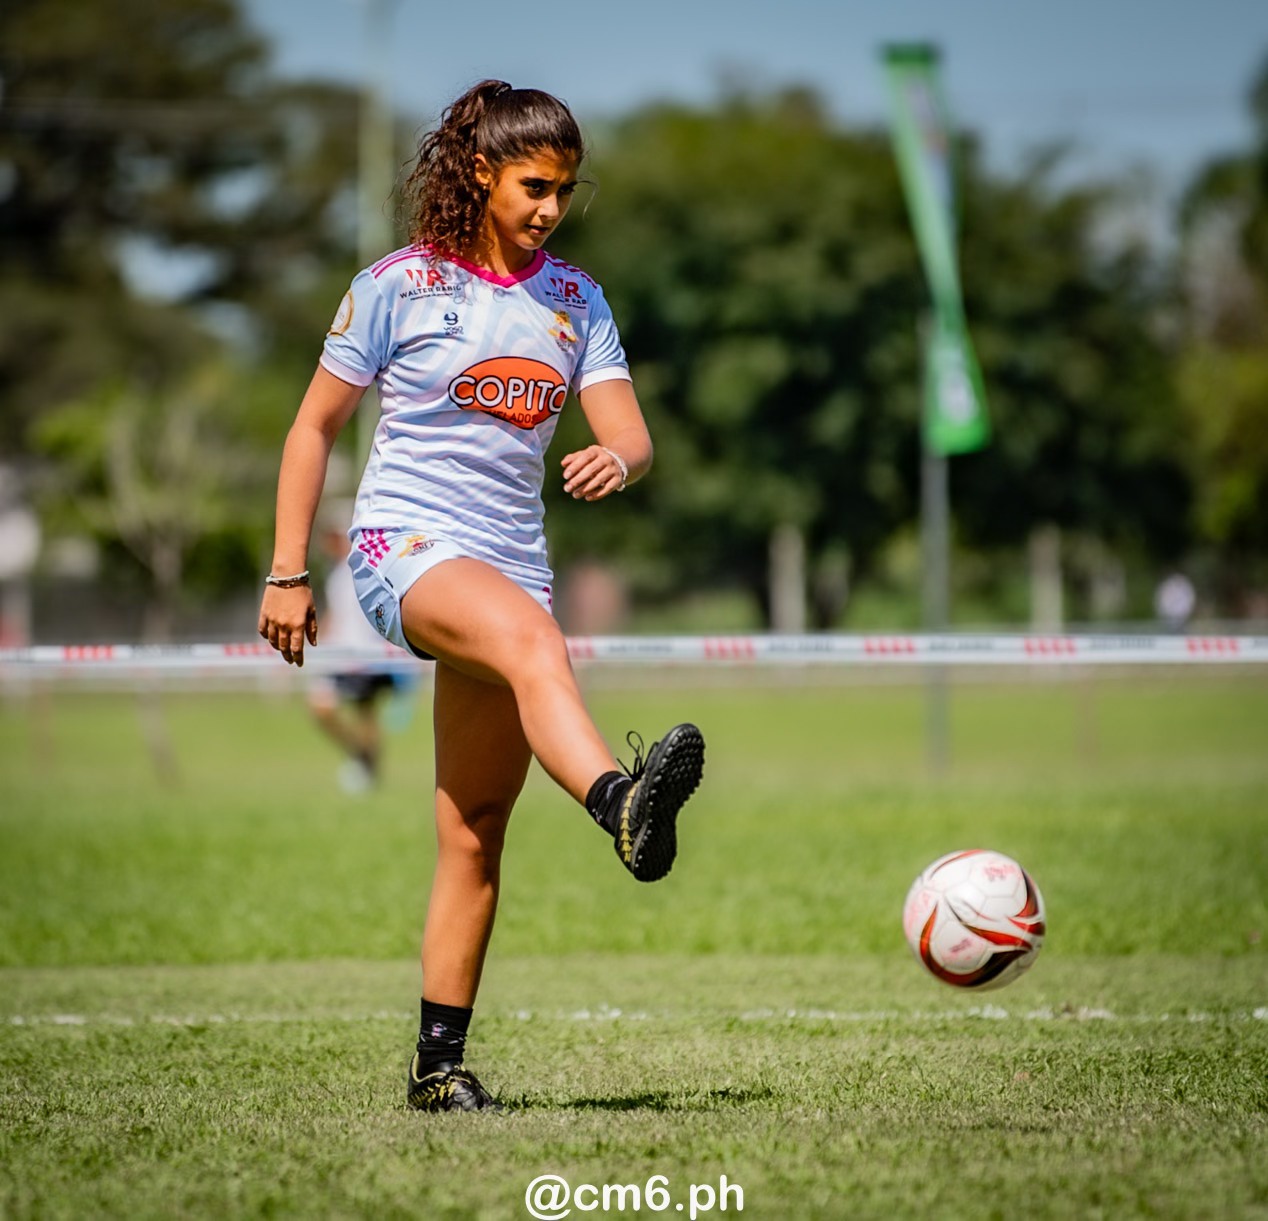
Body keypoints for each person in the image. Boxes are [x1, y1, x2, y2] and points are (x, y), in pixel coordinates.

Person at [257, 80, 705, 1114]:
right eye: (533, 185)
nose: (550, 206)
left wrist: (617, 463)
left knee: (475, 827)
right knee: (535, 645)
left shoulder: (575, 300)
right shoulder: (395, 286)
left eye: (564, 189)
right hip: (399, 549)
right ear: (479, 173)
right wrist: (286, 570)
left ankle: (436, 1067)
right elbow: (310, 430)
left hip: (511, 561)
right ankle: (618, 801)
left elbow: (630, 432)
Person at [307, 504, 417, 793]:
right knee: (322, 707)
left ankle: (368, 769)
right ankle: (362, 758)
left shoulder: (364, 568)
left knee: (365, 715)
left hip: (367, 657)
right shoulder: (335, 574)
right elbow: (338, 613)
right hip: (340, 656)